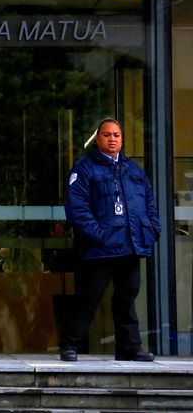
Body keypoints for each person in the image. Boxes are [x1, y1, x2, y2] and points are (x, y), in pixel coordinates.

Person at [60, 118, 161, 362]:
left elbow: (148, 204)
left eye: (116, 135)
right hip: (100, 248)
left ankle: (129, 348)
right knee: (88, 297)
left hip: (131, 245)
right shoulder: (84, 169)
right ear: (98, 139)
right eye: (107, 134)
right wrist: (99, 235)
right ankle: (70, 345)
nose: (112, 138)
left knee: (127, 298)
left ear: (122, 139)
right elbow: (77, 209)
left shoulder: (134, 170)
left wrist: (151, 230)